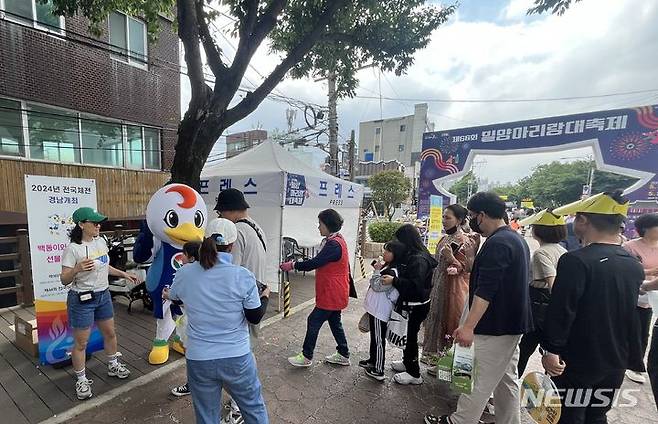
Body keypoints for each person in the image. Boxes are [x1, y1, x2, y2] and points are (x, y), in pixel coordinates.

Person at [424, 192, 533, 424]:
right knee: (506, 380)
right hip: (511, 324)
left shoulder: (498, 243)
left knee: (479, 379)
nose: (472, 221)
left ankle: (460, 420)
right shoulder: (515, 239)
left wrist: (468, 326)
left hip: (494, 326)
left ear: (482, 215)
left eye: (473, 216)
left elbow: (486, 290)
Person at [540, 191, 644, 423]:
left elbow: (562, 310)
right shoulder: (633, 264)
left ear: (583, 220)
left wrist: (551, 350)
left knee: (568, 415)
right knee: (597, 414)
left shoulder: (575, 261)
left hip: (578, 358)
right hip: (616, 359)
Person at [163, 218, 270, 424]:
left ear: (204, 241)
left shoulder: (185, 272)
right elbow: (254, 316)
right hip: (236, 357)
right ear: (232, 245)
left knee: (206, 416)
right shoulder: (243, 276)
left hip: (199, 358)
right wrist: (265, 295)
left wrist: (169, 295)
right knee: (253, 409)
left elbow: (175, 296)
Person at [60, 207, 139, 400]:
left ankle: (113, 364)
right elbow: (64, 279)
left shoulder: (101, 241)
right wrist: (77, 268)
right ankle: (81, 379)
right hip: (82, 299)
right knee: (81, 343)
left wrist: (123, 273)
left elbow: (105, 265)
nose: (98, 225)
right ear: (81, 225)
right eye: (94, 222)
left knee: (110, 333)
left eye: (99, 222)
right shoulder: (73, 249)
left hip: (103, 295)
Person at [282, 209, 351, 368]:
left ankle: (307, 356)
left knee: (313, 320)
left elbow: (315, 263)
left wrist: (293, 265)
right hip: (335, 290)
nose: (318, 227)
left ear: (328, 225)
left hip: (332, 292)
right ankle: (343, 353)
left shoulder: (334, 244)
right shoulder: (335, 240)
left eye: (320, 224)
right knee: (335, 322)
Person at [421, 204, 480, 369]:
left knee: (450, 322)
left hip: (453, 289)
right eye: (443, 217)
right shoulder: (444, 238)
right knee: (436, 319)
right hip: (438, 285)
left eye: (448, 218)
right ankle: (439, 360)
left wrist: (451, 259)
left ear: (459, 220)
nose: (443, 221)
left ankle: (451, 364)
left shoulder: (464, 241)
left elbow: (467, 268)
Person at [380, 224, 438, 385]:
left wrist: (395, 280)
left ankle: (414, 373)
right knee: (407, 335)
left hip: (416, 305)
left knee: (411, 338)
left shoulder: (418, 259)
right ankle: (407, 363)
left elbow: (415, 286)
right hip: (413, 303)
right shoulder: (414, 254)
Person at [516, 210, 567, 377]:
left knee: (523, 351)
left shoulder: (541, 253)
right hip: (547, 308)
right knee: (548, 351)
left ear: (538, 230)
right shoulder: (562, 250)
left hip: (538, 306)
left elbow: (553, 284)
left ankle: (511, 388)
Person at [360, 240, 405, 381]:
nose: (384, 253)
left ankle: (379, 369)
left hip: (381, 311)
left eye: (388, 251)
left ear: (395, 254)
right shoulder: (389, 267)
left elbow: (377, 286)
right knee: (374, 337)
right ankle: (372, 361)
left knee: (379, 340)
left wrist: (377, 271)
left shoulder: (393, 272)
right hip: (375, 309)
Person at [622, 213, 658, 384]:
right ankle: (627, 361)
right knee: (630, 328)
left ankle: (636, 364)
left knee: (644, 331)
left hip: (651, 298)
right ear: (646, 229)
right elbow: (625, 270)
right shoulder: (630, 247)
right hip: (631, 294)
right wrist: (651, 273)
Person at [170, 241, 201, 397]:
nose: (181, 255)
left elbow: (174, 295)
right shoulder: (210, 269)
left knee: (191, 354)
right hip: (208, 320)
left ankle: (192, 384)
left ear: (190, 257)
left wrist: (166, 294)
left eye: (183, 253)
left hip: (190, 319)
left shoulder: (185, 271)